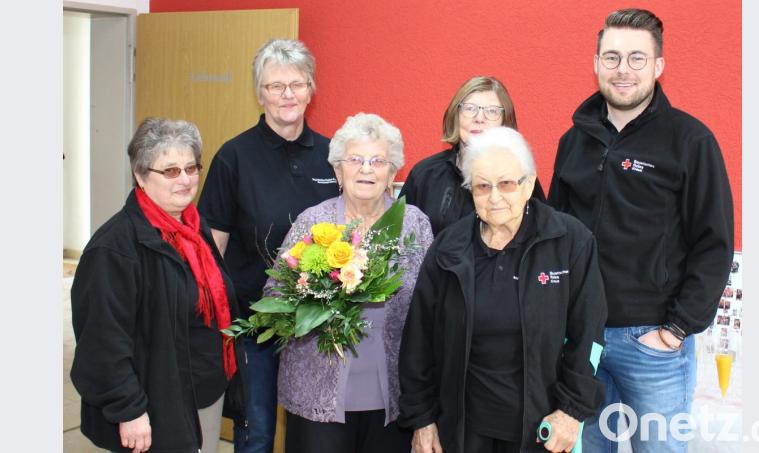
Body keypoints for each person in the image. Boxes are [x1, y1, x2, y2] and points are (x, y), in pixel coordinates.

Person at [547, 8, 734, 452]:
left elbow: (714, 243)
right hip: (583, 341)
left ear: (658, 66)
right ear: (595, 64)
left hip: (653, 345)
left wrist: (675, 329)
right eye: (611, 58)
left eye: (636, 58)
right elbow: (557, 235)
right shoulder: (574, 141)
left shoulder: (691, 141)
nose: (622, 70)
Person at [399, 126, 607, 453]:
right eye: (483, 186)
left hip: (541, 427)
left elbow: (588, 336)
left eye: (507, 183)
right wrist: (421, 419)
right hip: (462, 429)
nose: (494, 197)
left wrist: (571, 412)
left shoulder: (570, 241)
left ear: (528, 184)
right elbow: (418, 341)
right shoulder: (448, 248)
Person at [198, 38, 339, 451]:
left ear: (311, 89)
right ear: (260, 93)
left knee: (314, 429)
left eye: (296, 84)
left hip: (319, 326)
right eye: (275, 86)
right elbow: (213, 249)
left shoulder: (333, 155)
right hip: (255, 326)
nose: (287, 94)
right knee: (256, 429)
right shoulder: (234, 157)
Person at [70, 118, 243, 453]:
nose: (186, 179)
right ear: (140, 176)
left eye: (191, 168)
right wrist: (129, 410)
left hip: (203, 392)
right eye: (171, 171)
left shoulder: (195, 227)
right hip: (154, 404)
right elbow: (102, 342)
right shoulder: (115, 248)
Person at [269, 113, 434, 453]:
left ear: (393, 172)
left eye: (378, 161)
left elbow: (432, 308)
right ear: (338, 170)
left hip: (394, 398)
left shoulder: (414, 224)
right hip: (317, 396)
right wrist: (315, 299)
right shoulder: (313, 222)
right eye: (355, 160)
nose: (366, 169)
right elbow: (275, 295)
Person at [398, 76, 545, 236]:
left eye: (492, 111)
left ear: (505, 122)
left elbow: (541, 235)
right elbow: (398, 239)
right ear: (456, 115)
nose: (479, 118)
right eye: (470, 108)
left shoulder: (521, 174)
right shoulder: (425, 174)